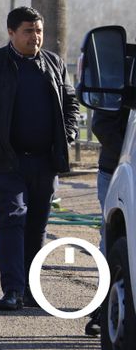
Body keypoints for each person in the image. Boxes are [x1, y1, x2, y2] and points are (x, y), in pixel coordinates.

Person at [0, 6, 79, 311]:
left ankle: (30, 289)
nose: (35, 37)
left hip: (45, 161)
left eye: (38, 31)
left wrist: (68, 134)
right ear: (11, 32)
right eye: (28, 31)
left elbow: (70, 102)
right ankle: (13, 290)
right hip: (4, 161)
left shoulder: (54, 63)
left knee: (36, 225)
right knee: (12, 218)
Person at [84, 107, 129, 335]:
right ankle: (106, 305)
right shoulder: (117, 86)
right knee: (112, 240)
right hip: (116, 169)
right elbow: (101, 123)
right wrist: (128, 154)